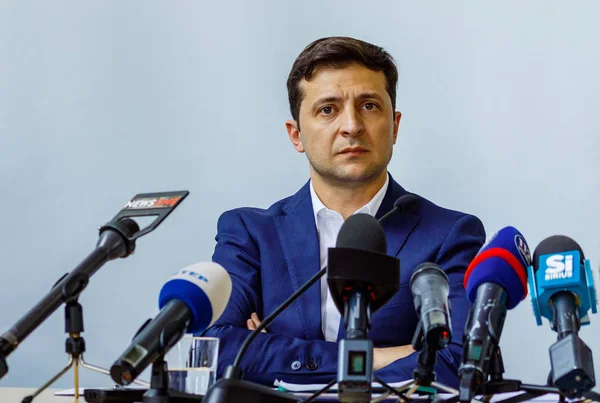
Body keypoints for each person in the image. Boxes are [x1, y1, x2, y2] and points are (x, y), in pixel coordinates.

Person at [204, 36, 485, 387]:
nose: (351, 126)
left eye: (369, 106)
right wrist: (375, 357)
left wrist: (270, 351)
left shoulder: (449, 235)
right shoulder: (250, 234)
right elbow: (216, 349)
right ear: (296, 135)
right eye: (328, 109)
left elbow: (460, 363)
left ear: (395, 126)